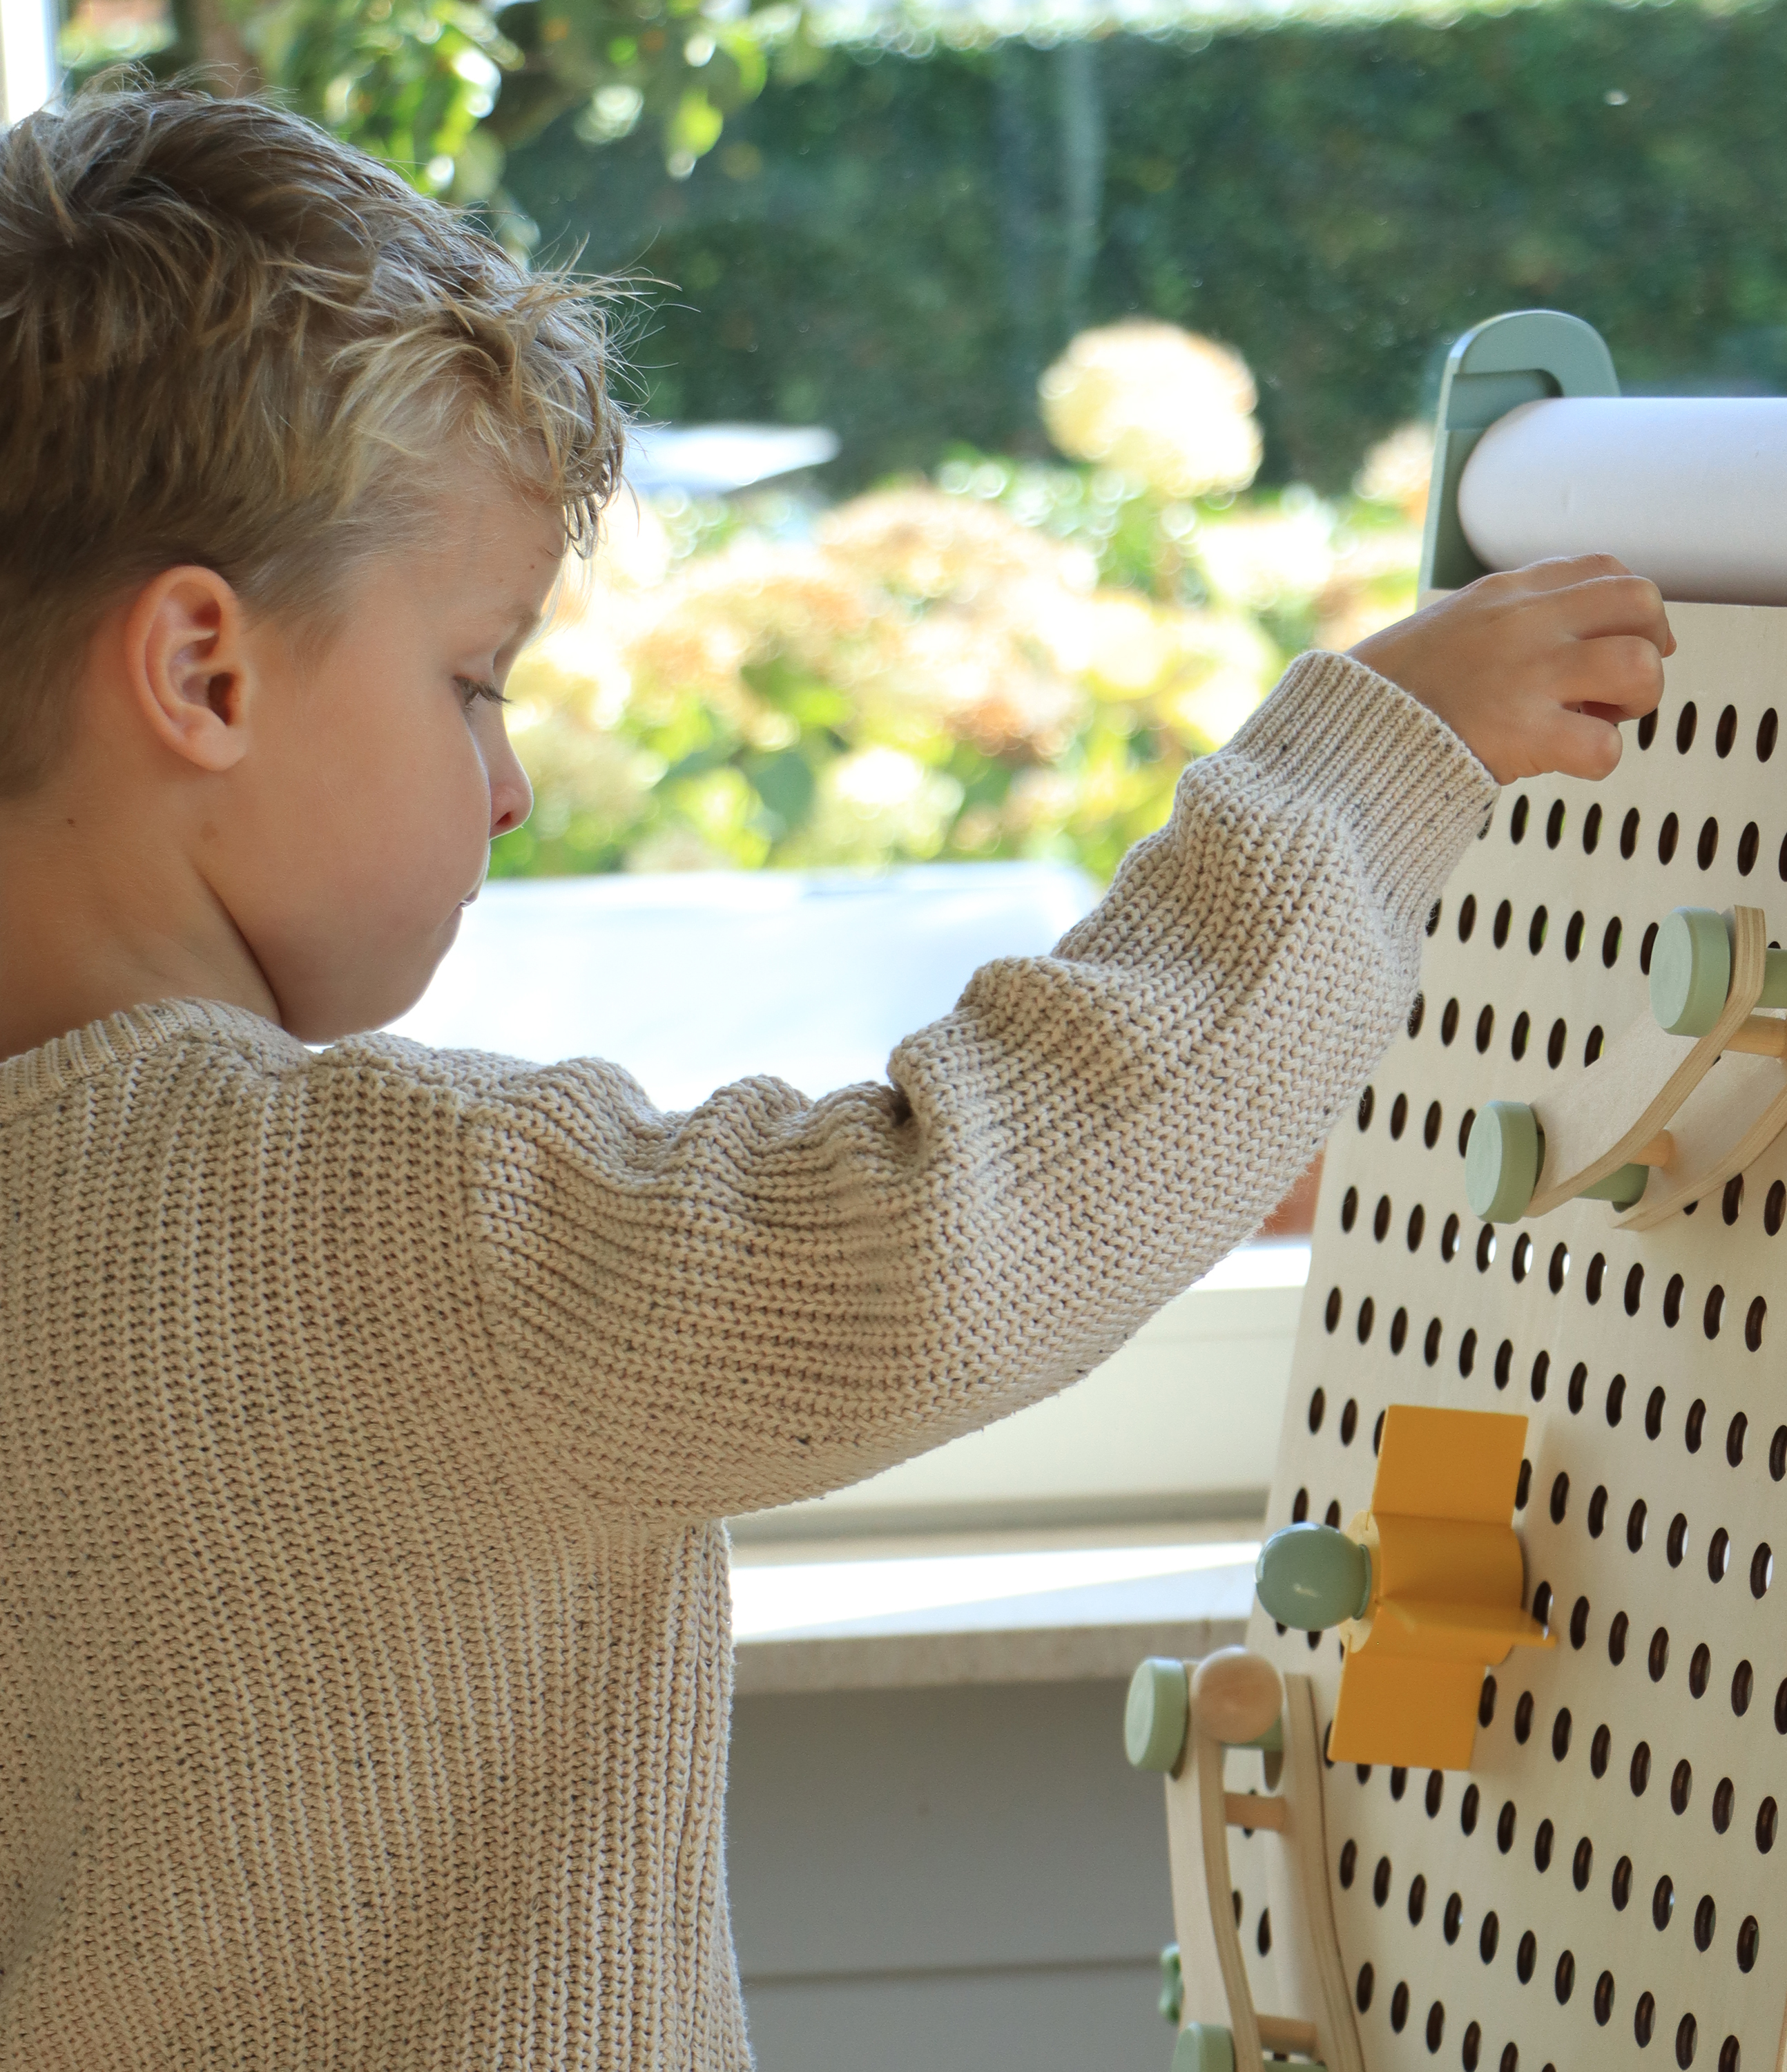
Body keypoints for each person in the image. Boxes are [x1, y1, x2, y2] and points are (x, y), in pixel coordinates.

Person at [0, 81, 1672, 2071]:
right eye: (474, 681)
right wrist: (1363, 774)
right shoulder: (359, 1224)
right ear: (204, 673)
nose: (511, 787)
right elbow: (932, 1237)